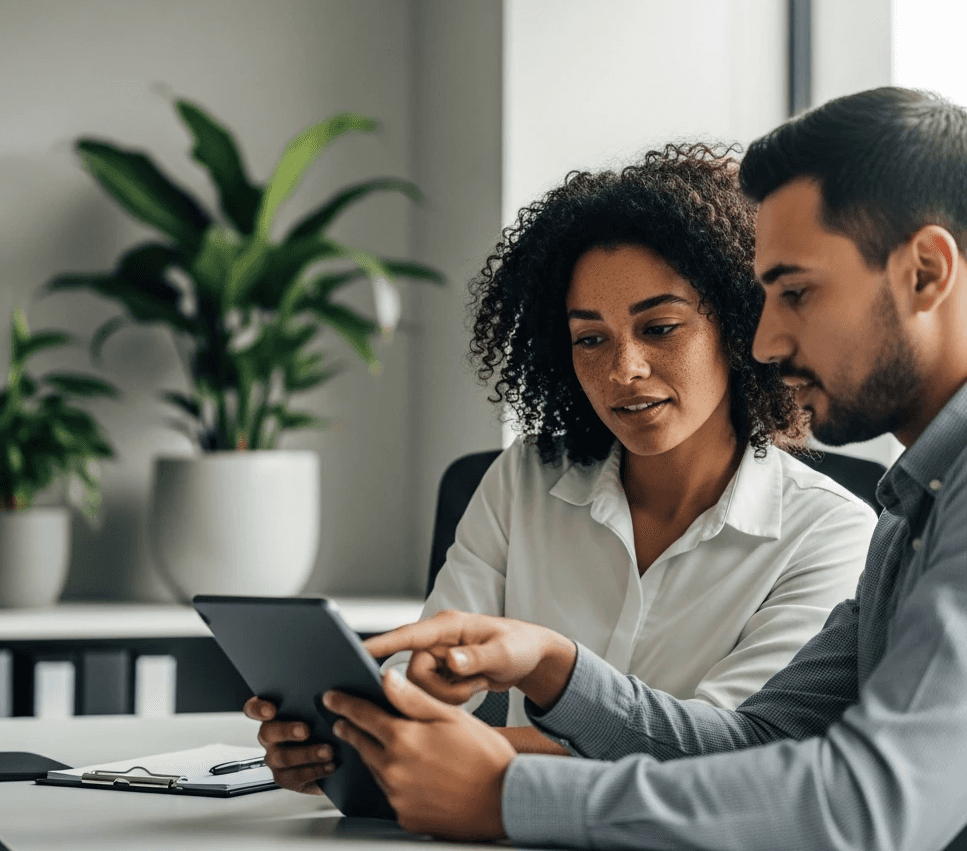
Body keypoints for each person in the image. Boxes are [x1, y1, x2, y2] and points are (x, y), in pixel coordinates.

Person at [293, 86, 967, 850]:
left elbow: (867, 803)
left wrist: (508, 794)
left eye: (796, 293)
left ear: (925, 272)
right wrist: (556, 667)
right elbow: (756, 743)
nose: (767, 341)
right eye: (766, 297)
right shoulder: (913, 510)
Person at [246, 145, 876, 792]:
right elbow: (423, 687)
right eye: (590, 338)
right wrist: (351, 736)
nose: (623, 369)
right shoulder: (523, 481)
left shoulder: (833, 535)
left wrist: (432, 752)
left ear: (740, 327)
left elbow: (726, 753)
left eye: (659, 328)